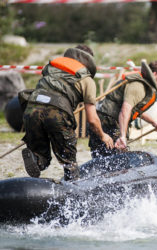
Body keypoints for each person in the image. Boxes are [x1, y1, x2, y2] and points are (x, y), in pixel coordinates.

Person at [21, 45, 114, 181]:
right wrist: (103, 135)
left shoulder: (51, 68)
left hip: (31, 109)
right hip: (57, 114)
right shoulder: (87, 80)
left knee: (41, 157)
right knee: (69, 162)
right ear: (89, 62)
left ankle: (35, 158)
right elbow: (93, 120)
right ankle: (73, 191)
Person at [88, 60, 157, 158]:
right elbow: (125, 110)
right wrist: (122, 136)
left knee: (103, 157)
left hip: (105, 117)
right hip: (109, 121)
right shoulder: (138, 86)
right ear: (155, 74)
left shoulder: (144, 85)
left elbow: (134, 110)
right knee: (116, 158)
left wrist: (153, 122)